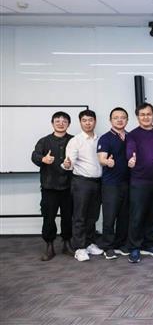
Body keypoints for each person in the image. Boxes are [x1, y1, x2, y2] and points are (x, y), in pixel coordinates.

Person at [126, 103, 153, 264]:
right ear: (137, 117)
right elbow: (130, 149)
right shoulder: (132, 135)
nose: (146, 117)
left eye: (148, 114)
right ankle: (134, 247)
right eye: (142, 114)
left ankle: (148, 244)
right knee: (137, 216)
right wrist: (131, 158)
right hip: (139, 181)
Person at [31, 111, 74, 261]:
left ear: (69, 124)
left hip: (69, 186)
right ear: (52, 123)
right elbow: (34, 156)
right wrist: (43, 159)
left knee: (68, 217)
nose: (61, 123)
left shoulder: (74, 140)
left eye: (64, 121)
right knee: (48, 218)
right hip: (49, 187)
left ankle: (67, 243)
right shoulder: (44, 141)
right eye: (57, 121)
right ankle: (49, 245)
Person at [62, 109, 104, 262]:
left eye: (90, 120)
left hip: (98, 182)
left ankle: (89, 243)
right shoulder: (75, 141)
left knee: (93, 216)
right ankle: (79, 248)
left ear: (95, 121)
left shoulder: (100, 139)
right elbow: (69, 162)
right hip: (81, 182)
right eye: (84, 120)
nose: (88, 123)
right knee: (80, 216)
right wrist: (67, 164)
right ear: (80, 122)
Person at [97, 107, 130, 260]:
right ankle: (108, 246)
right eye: (116, 117)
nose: (119, 120)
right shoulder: (105, 138)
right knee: (110, 217)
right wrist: (107, 162)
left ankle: (120, 244)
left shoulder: (130, 137)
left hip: (128, 183)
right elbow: (101, 159)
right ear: (110, 120)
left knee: (124, 216)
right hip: (111, 184)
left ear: (127, 120)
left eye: (123, 117)